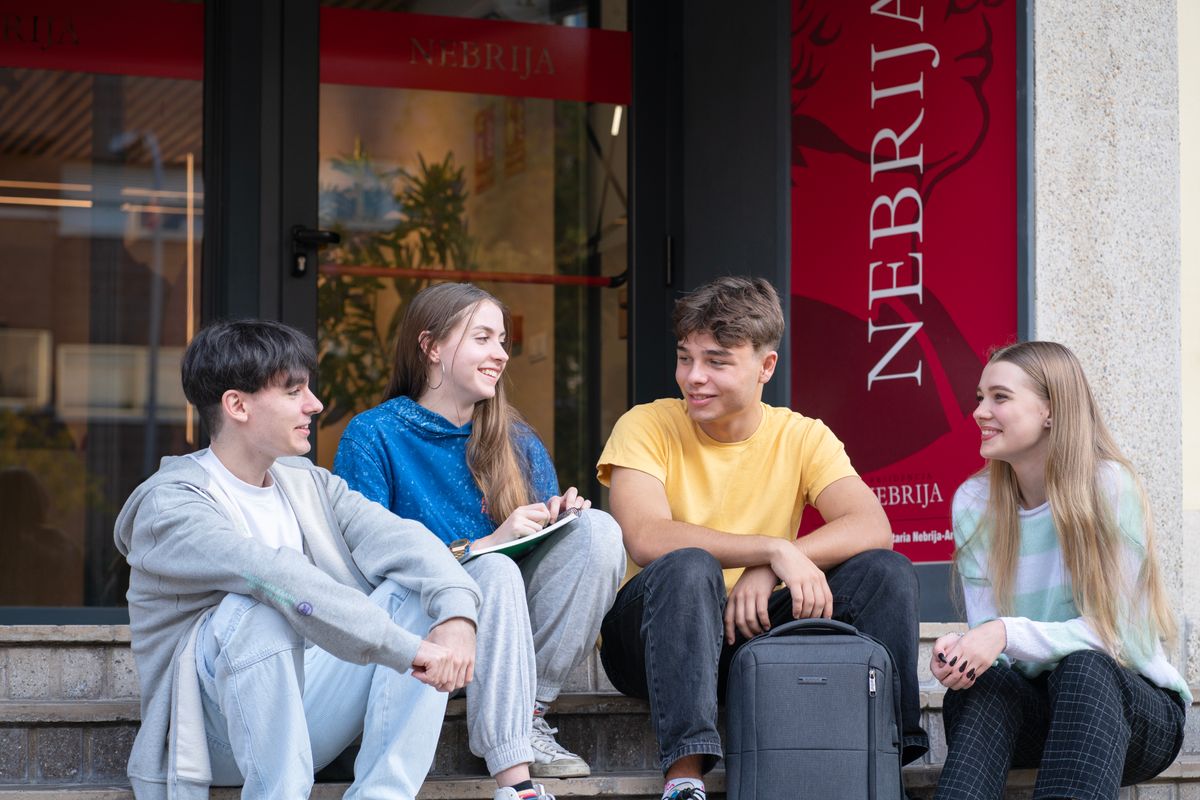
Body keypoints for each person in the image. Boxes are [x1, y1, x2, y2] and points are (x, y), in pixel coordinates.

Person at [114, 320, 481, 800]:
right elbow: (275, 577)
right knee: (258, 609)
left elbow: (404, 541)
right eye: (294, 392)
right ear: (237, 405)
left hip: (311, 710)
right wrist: (406, 648)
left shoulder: (308, 484)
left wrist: (457, 617)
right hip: (211, 738)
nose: (315, 404)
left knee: (416, 590)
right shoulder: (170, 508)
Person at [596, 276, 928, 800]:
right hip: (653, 639)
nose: (694, 377)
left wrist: (774, 566)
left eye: (716, 362)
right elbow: (646, 536)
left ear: (765, 367)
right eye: (685, 358)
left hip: (751, 631)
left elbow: (872, 526)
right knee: (689, 564)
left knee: (886, 573)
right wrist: (770, 549)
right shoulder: (646, 425)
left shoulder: (802, 435)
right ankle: (684, 777)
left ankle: (887, 760)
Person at [334, 283, 626, 800]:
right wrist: (484, 544)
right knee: (493, 568)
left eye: (503, 341)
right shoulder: (373, 435)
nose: (501, 354)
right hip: (423, 631)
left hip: (511, 640)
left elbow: (538, 548)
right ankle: (511, 765)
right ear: (431, 346)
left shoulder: (516, 439)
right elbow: (365, 567)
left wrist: (556, 519)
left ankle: (528, 712)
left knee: (597, 530)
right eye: (483, 338)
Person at [932, 341, 1188, 800]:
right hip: (1036, 717)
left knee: (1083, 667)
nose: (979, 412)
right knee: (983, 684)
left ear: (1050, 410)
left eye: (1000, 397)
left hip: (1131, 713)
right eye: (980, 397)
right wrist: (963, 653)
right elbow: (997, 646)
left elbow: (1116, 636)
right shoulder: (973, 503)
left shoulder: (1109, 487)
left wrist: (1004, 632)